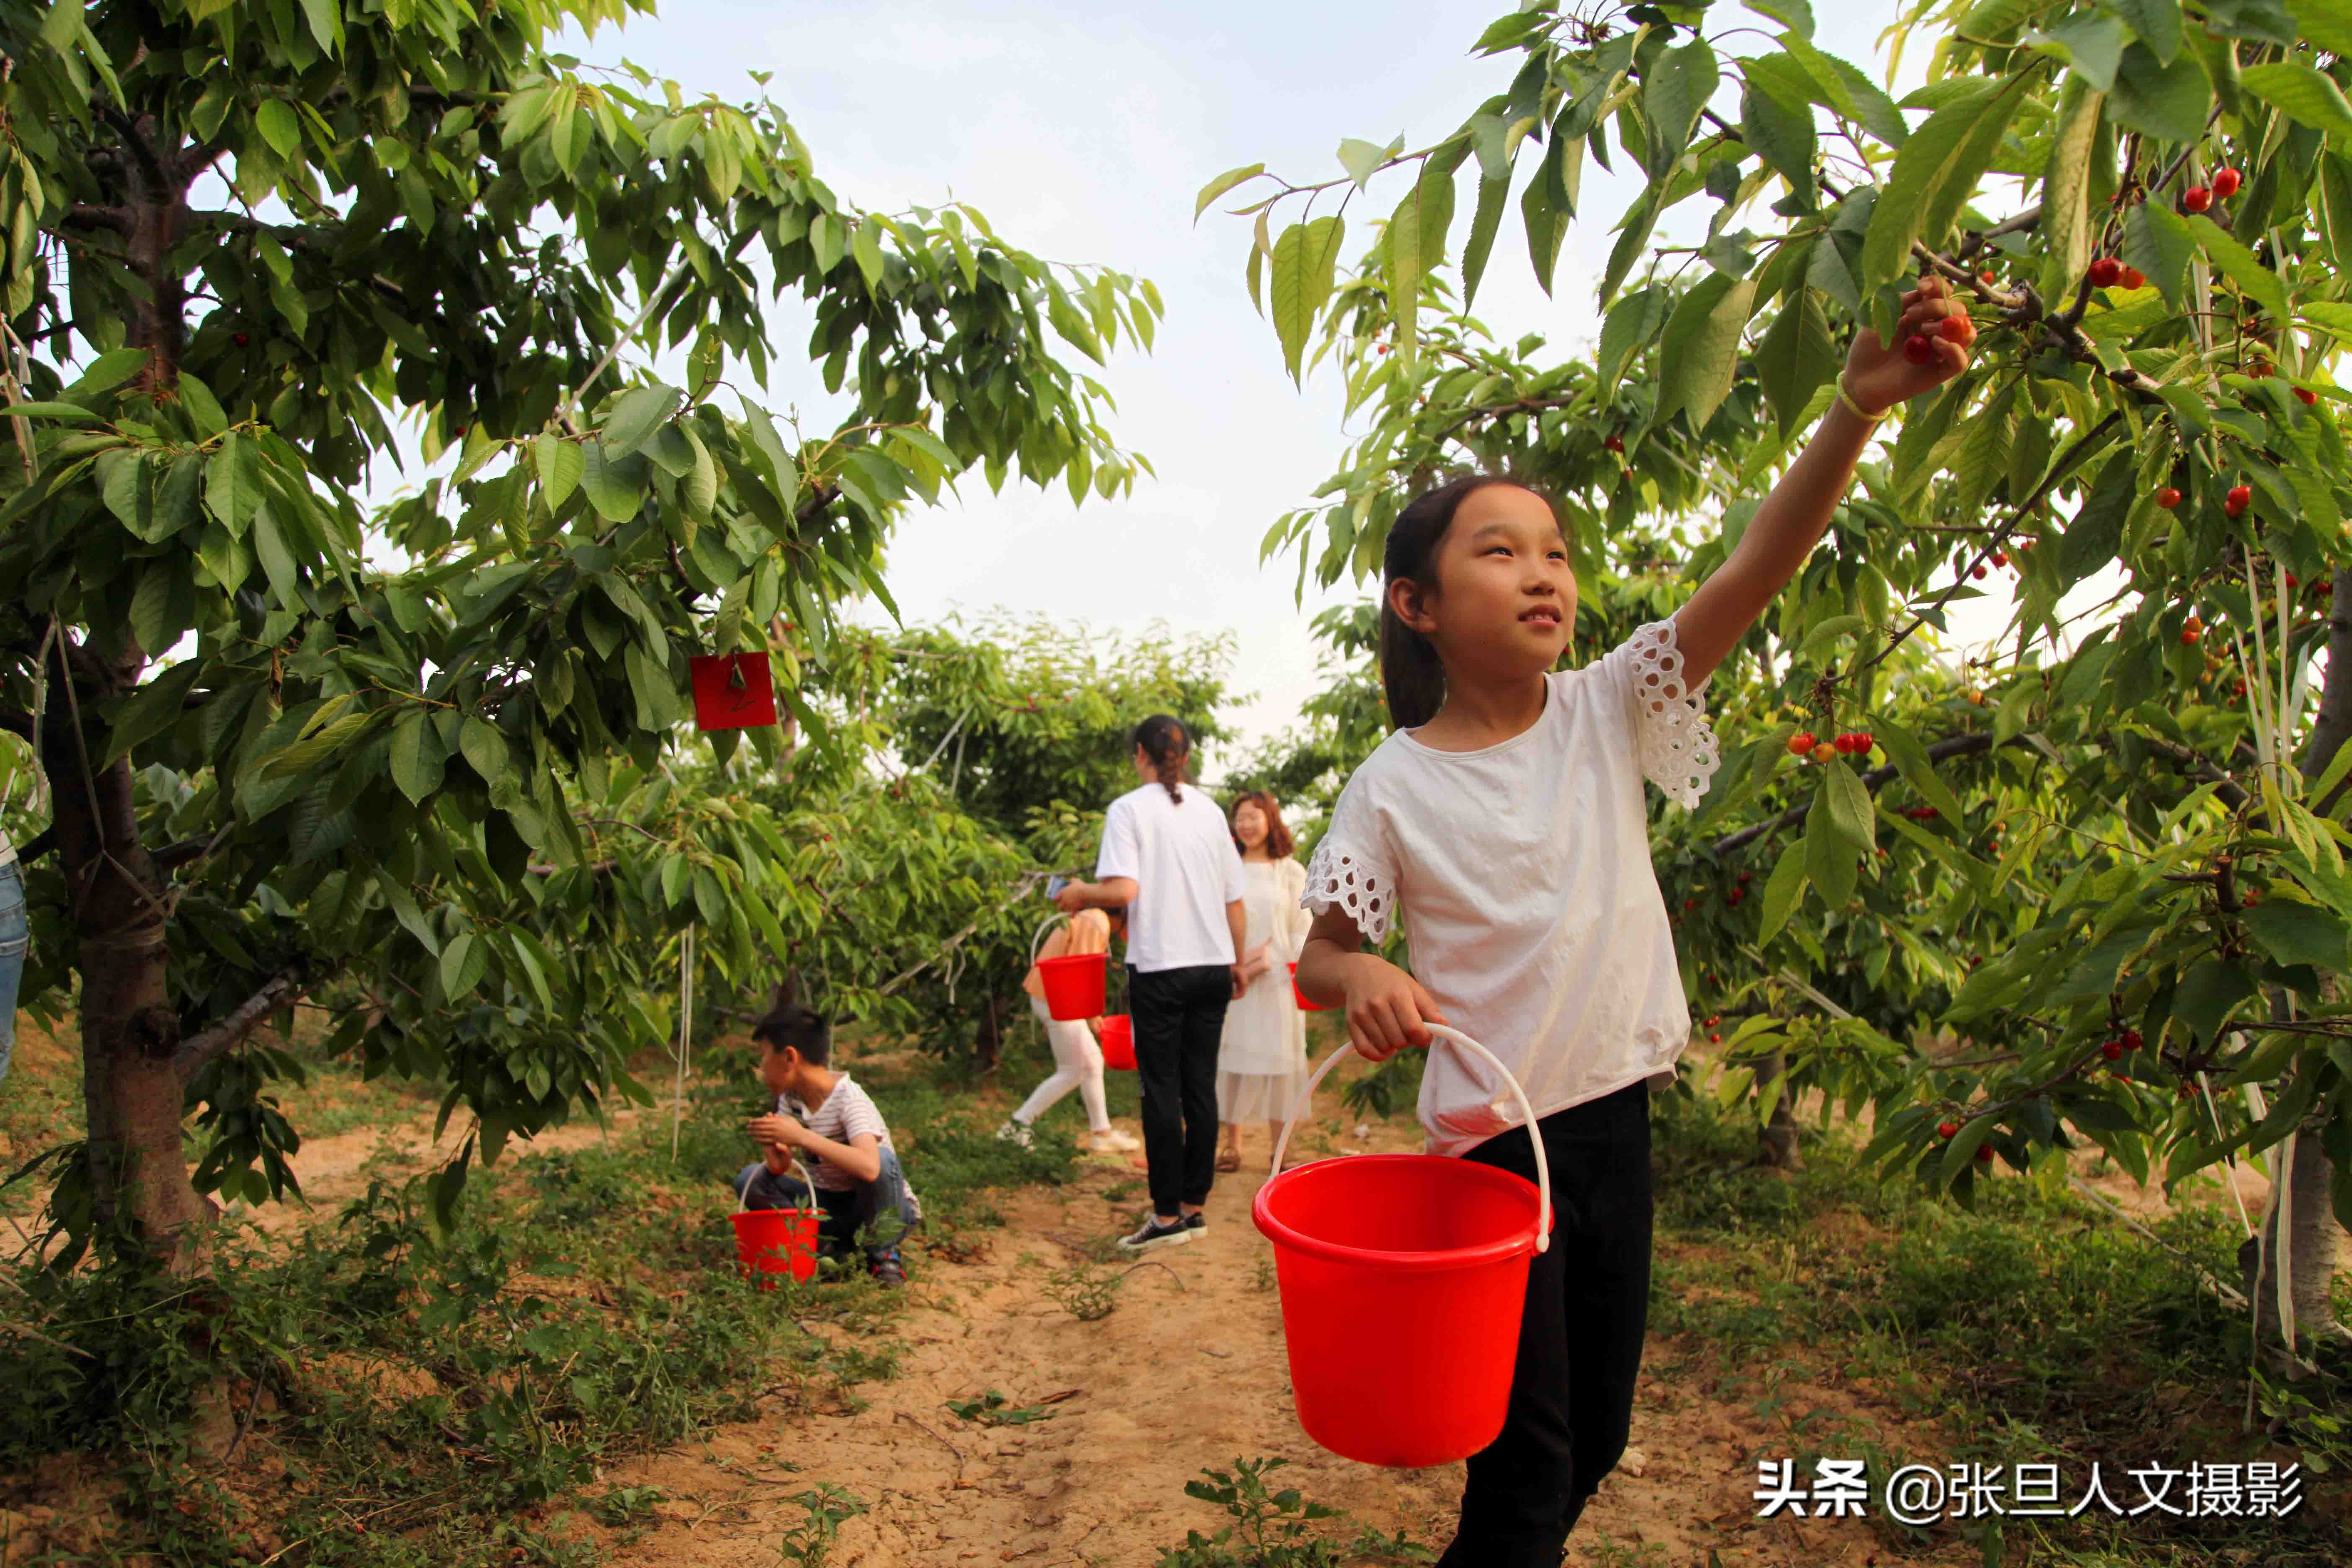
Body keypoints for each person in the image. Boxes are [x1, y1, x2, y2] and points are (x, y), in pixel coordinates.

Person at [1290, 280, 1967, 1566]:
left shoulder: (1607, 710)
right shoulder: (1396, 783)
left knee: (1587, 1439)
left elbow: (1758, 563)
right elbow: (1319, 953)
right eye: (1498, 550)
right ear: (1415, 604)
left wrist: (1855, 411)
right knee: (1531, 1466)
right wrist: (1362, 968)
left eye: (1552, 551)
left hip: (1613, 1124)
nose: (1541, 573)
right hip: (1494, 1156)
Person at [1055, 714, 1247, 1253]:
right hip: (1212, 965)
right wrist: (1234, 961)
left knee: (1161, 1090)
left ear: (1140, 753)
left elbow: (1124, 888)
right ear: (1185, 756)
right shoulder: (1210, 812)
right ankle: (1193, 1207)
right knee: (1199, 1086)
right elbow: (1235, 897)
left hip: (1162, 968)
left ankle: (1165, 1217)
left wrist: (1080, 893)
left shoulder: (1129, 809)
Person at [732, 992, 921, 1287]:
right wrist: (777, 1156)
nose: (761, 1066)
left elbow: (871, 1168)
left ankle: (883, 1255)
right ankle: (822, 1246)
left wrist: (802, 1136)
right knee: (751, 1179)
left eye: (763, 1055)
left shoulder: (850, 1099)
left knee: (882, 1161)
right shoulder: (790, 1099)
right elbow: (786, 1165)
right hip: (829, 1205)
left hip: (881, 1208)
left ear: (790, 1058)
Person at [1214, 792, 1311, 1172]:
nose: (1247, 824)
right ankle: (1232, 1146)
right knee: (1232, 1056)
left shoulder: (1288, 870)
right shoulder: (1227, 868)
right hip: (1235, 979)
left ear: (1271, 819)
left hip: (1277, 981)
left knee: (1280, 1060)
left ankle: (1279, 1148)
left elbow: (1303, 923)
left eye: (1254, 816)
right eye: (1240, 818)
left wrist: (1296, 963)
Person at [999, 906, 1142, 1153]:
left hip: (1056, 996)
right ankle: (1016, 1126)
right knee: (1073, 1070)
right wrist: (1091, 1014)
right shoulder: (1097, 921)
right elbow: (1081, 968)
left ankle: (1102, 1133)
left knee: (1093, 1062)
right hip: (1058, 997)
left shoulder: (1092, 916)